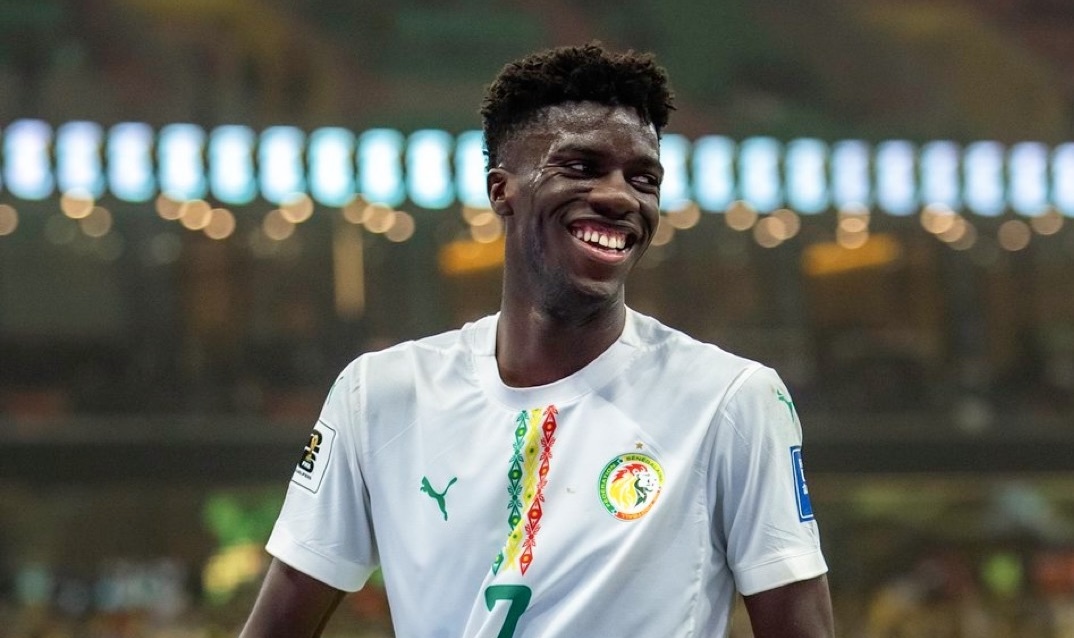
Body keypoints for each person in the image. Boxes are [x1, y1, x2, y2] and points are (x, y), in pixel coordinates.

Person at [240, 42, 834, 638]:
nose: (620, 196)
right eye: (580, 167)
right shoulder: (379, 395)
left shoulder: (731, 400)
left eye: (643, 178)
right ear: (502, 190)